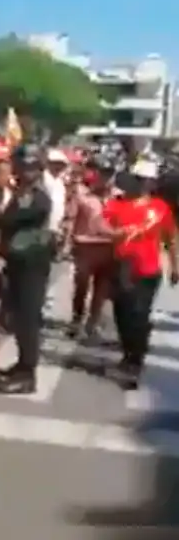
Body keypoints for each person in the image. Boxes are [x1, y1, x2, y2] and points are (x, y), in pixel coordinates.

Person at [0, 144, 54, 395]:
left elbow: (15, 218)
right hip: (18, 262)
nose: (24, 171)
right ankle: (22, 365)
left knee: (28, 319)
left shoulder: (38, 195)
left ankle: (27, 375)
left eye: (29, 167)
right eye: (22, 166)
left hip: (31, 263)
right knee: (17, 317)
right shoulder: (22, 191)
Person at [103, 161, 178, 389]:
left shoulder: (160, 208)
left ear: (152, 183)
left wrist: (175, 266)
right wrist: (116, 234)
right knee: (122, 314)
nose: (143, 184)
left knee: (139, 314)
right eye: (139, 179)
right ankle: (129, 354)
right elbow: (102, 229)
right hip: (120, 267)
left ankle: (135, 361)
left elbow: (170, 238)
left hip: (147, 269)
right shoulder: (116, 204)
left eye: (147, 180)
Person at [65, 156, 117, 340]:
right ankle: (77, 317)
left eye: (109, 174)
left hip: (108, 246)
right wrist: (67, 243)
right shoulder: (82, 196)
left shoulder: (119, 197)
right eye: (103, 174)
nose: (106, 178)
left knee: (102, 288)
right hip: (85, 245)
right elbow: (71, 219)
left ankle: (93, 323)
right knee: (81, 284)